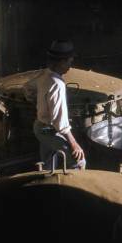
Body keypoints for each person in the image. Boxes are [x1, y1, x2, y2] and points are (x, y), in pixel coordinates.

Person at [24, 40, 86, 170]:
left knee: (48, 163)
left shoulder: (44, 74)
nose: (70, 66)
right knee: (79, 161)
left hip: (39, 126)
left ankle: (47, 185)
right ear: (62, 61)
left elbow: (27, 87)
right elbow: (60, 122)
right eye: (69, 62)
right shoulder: (57, 84)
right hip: (50, 131)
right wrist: (74, 144)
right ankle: (73, 189)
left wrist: (39, 101)